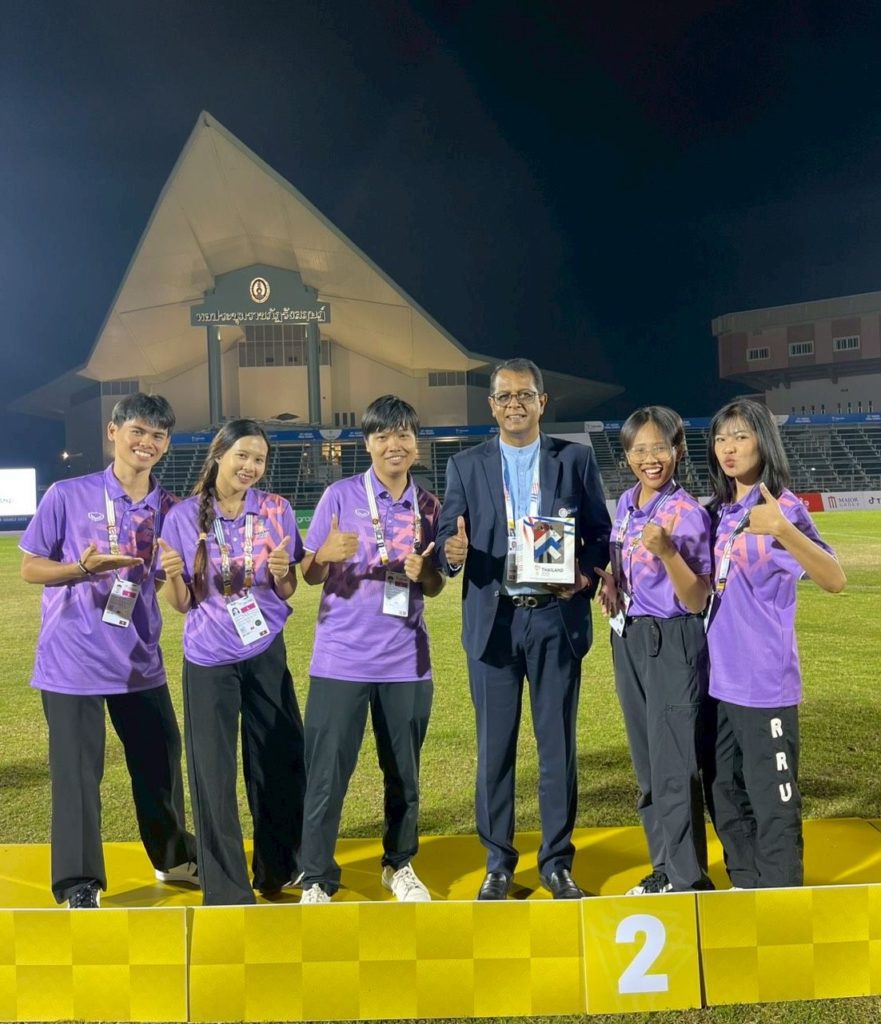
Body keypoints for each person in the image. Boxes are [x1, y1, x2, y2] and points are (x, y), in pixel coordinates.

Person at [436, 358, 610, 900]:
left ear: (542, 402)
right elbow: (446, 536)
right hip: (495, 621)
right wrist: (451, 552)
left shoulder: (574, 459)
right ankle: (498, 863)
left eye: (525, 395)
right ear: (492, 405)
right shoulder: (465, 465)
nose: (515, 404)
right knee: (495, 750)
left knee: (557, 747)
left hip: (555, 617)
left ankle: (556, 863)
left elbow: (600, 533)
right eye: (505, 396)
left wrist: (585, 573)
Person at [19, 393, 197, 909]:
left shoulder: (172, 510)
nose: (147, 443)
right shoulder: (67, 494)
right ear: (113, 431)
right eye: (138, 431)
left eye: (158, 436)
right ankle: (79, 883)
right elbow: (30, 568)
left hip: (138, 660)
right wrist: (81, 569)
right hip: (71, 660)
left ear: (166, 445)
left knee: (161, 758)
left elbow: (169, 587)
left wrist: (173, 574)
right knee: (77, 775)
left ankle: (173, 857)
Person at [297, 395, 444, 905]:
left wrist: (424, 572)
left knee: (403, 775)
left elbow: (435, 586)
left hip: (406, 661)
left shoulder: (430, 506)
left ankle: (398, 864)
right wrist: (322, 555)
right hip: (340, 659)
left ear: (416, 443)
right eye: (382, 436)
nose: (393, 445)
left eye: (403, 435)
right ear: (367, 443)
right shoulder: (339, 496)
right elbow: (309, 573)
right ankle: (316, 875)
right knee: (326, 775)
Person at [158, 419, 306, 905]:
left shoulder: (276, 509)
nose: (250, 466)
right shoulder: (183, 517)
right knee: (213, 774)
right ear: (219, 453)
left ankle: (279, 868)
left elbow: (287, 589)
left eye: (259, 459)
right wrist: (173, 575)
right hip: (208, 659)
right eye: (242, 455)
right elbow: (183, 603)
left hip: (265, 649)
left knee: (279, 758)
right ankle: (225, 886)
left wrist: (283, 574)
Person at [703, 399, 846, 888]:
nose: (729, 447)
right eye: (721, 438)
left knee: (773, 799)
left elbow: (834, 579)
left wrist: (784, 528)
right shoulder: (722, 511)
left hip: (764, 681)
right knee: (726, 792)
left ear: (763, 443)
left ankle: (781, 898)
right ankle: (747, 884)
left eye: (741, 436)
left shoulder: (783, 509)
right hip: (719, 680)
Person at [594, 406, 713, 896]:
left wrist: (667, 552)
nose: (650, 458)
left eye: (660, 447)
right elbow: (622, 560)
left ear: (677, 450)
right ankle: (663, 867)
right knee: (647, 764)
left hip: (673, 636)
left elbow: (698, 597)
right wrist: (611, 580)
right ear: (626, 456)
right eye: (639, 449)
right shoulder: (627, 502)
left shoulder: (688, 513)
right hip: (629, 637)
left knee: (673, 764)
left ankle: (687, 878)